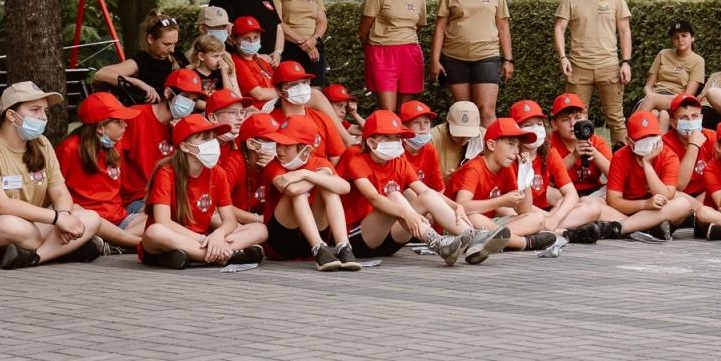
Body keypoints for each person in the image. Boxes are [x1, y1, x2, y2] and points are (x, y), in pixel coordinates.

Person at [0, 82, 105, 268]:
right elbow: (0, 205)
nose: (43, 117)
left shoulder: (42, 144)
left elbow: (60, 193)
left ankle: (34, 257)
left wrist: (64, 215)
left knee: (91, 216)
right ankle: (71, 249)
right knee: (11, 225)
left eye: (44, 110)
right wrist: (57, 220)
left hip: (31, 224)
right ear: (11, 115)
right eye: (35, 109)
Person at [340, 109, 477, 263]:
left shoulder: (398, 159)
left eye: (397, 137)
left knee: (427, 195)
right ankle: (437, 242)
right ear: (371, 142)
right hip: (357, 240)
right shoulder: (354, 155)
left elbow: (424, 190)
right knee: (396, 195)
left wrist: (455, 206)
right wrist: (406, 213)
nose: (394, 142)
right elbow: (373, 197)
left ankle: (473, 238)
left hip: (389, 241)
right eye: (387, 137)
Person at [140, 115, 269, 269]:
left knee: (260, 229)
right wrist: (204, 240)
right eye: (205, 139)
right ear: (186, 147)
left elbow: (229, 220)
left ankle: (196, 256)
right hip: (172, 239)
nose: (212, 143)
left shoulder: (218, 173)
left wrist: (218, 235)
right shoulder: (166, 172)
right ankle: (228, 255)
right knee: (155, 232)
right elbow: (163, 222)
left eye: (213, 138)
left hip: (204, 240)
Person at [552, 0, 633, 145]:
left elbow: (624, 31)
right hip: (579, 68)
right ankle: (580, 163)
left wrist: (626, 62)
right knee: (577, 120)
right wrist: (563, 57)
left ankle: (620, 163)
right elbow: (559, 28)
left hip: (609, 66)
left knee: (616, 119)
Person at [430, 0, 513, 127]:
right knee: (464, 112)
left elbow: (503, 25)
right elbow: (440, 26)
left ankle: (491, 152)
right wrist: (435, 60)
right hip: (454, 58)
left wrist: (508, 60)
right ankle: (467, 154)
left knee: (486, 110)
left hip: (487, 56)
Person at [447, 117, 557, 253]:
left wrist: (526, 176)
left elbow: (524, 211)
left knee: (537, 219)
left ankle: (489, 240)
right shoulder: (474, 168)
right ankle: (524, 243)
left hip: (486, 226)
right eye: (510, 144)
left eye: (517, 146)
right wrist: (501, 201)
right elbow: (462, 206)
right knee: (475, 218)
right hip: (458, 226)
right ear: (491, 145)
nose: (516, 151)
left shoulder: (506, 168)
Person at [263, 116, 360, 271]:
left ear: (306, 149)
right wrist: (321, 176)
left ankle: (343, 246)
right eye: (278, 144)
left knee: (330, 190)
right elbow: (291, 190)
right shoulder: (274, 165)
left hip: (309, 235)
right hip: (281, 241)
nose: (279, 150)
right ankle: (318, 247)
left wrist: (306, 175)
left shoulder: (320, 162)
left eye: (286, 146)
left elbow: (344, 187)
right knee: (300, 193)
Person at [56, 92, 144, 252]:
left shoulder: (115, 145)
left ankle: (111, 243)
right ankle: (136, 244)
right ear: (100, 127)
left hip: (120, 219)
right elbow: (56, 190)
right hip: (88, 219)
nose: (125, 125)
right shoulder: (70, 148)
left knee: (160, 217)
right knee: (82, 213)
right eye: (118, 122)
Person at [118, 68, 205, 217]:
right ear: (168, 94)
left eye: (195, 100)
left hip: (170, 198)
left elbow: (188, 171)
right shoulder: (135, 116)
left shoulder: (186, 127)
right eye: (186, 97)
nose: (190, 104)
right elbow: (114, 157)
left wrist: (180, 136)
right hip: (137, 199)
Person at [509, 99, 598, 243]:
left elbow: (571, 194)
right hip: (519, 213)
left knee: (593, 207)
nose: (535, 129)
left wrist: (553, 219)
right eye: (527, 125)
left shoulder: (549, 153)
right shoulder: (509, 157)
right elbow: (514, 204)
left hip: (546, 213)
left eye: (539, 124)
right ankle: (564, 232)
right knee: (519, 214)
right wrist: (549, 218)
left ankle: (549, 229)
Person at [601, 110, 693, 243]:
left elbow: (666, 195)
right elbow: (614, 200)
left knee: (683, 204)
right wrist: (645, 204)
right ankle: (643, 228)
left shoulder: (669, 156)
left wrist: (647, 164)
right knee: (592, 205)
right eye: (642, 138)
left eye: (652, 135)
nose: (648, 141)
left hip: (658, 211)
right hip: (627, 209)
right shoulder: (620, 156)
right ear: (629, 141)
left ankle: (620, 228)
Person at [360, 0, 428, 112]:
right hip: (382, 52)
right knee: (387, 110)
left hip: (410, 53)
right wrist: (373, 50)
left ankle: (403, 138)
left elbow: (417, 27)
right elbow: (363, 30)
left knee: (405, 110)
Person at [92, 12, 187, 106]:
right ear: (150, 39)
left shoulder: (176, 55)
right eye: (166, 44)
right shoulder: (141, 61)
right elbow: (100, 74)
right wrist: (138, 83)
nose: (172, 49)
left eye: (174, 43)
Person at [269, 0, 330, 85]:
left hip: (314, 44)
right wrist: (304, 43)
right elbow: (277, 22)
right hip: (290, 46)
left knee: (316, 90)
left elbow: (322, 20)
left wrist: (314, 40)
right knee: (294, 89)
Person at [635, 20, 705, 130]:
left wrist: (652, 99)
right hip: (655, 95)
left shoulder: (698, 61)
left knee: (653, 102)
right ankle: (658, 146)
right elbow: (648, 85)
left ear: (692, 38)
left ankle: (629, 132)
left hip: (678, 98)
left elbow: (689, 94)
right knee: (658, 114)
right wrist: (650, 96)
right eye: (676, 37)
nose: (680, 40)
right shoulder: (663, 54)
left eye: (684, 35)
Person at [546, 93, 612, 202]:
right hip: (562, 194)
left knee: (617, 190)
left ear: (585, 117)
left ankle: (581, 209)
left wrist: (595, 154)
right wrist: (574, 155)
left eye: (577, 117)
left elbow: (615, 177)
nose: (573, 124)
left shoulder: (596, 141)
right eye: (565, 120)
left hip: (593, 192)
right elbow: (548, 179)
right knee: (546, 191)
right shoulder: (549, 143)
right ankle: (586, 209)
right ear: (554, 124)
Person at [228, 15, 277, 103]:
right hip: (260, 107)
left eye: (256, 37)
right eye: (247, 39)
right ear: (234, 40)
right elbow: (259, 95)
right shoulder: (237, 62)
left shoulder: (260, 60)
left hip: (276, 101)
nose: (252, 42)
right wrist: (287, 92)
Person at [435, 100, 483, 176]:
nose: (462, 141)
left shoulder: (485, 137)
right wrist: (442, 178)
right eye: (457, 136)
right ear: (447, 124)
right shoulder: (433, 137)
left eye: (468, 137)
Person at [190, 34, 239, 100]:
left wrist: (225, 74)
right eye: (216, 56)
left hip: (222, 108)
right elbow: (195, 101)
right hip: (205, 109)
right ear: (201, 56)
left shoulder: (220, 73)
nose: (220, 60)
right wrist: (212, 107)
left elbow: (229, 94)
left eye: (221, 56)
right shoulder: (192, 75)